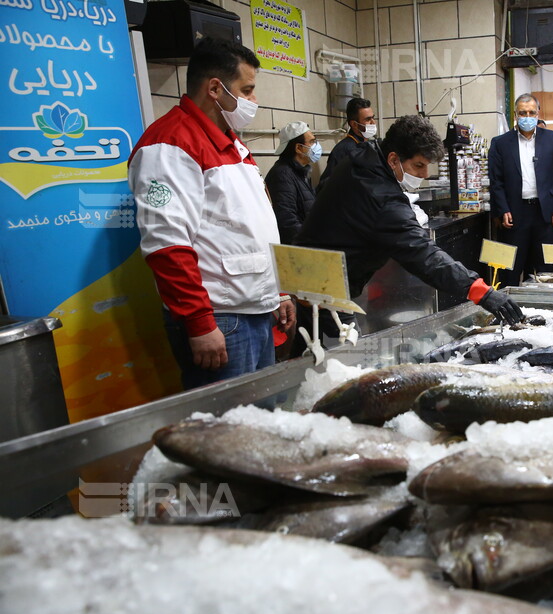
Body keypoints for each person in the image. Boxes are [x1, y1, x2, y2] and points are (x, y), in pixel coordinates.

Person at [128, 37, 296, 390]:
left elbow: (248, 227)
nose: (253, 101)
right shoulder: (170, 145)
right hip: (221, 320)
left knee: (260, 423)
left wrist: (276, 293)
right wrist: (199, 323)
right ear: (216, 88)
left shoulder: (231, 141)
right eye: (247, 90)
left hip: (254, 310)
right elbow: (167, 245)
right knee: (227, 432)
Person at [297, 115, 522, 325]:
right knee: (338, 356)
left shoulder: (361, 159)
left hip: (307, 277)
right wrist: (479, 290)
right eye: (418, 165)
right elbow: (423, 254)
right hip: (325, 292)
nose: (424, 175)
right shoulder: (382, 198)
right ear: (393, 159)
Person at [487, 94, 553, 286]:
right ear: (515, 115)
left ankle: (547, 311)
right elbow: (496, 181)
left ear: (538, 113)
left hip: (546, 215)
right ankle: (510, 311)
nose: (527, 116)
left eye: (531, 112)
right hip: (515, 214)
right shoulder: (500, 143)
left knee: (546, 271)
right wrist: (503, 209)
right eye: (522, 113)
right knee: (511, 270)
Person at [264, 121, 320, 245]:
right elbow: (287, 221)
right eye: (311, 142)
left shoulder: (300, 172)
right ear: (299, 148)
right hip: (297, 251)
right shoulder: (282, 175)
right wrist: (311, 245)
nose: (316, 145)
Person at [316, 96, 376, 193]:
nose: (373, 122)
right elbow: (326, 184)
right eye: (368, 119)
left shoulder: (368, 145)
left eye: (373, 117)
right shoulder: (344, 150)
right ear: (354, 124)